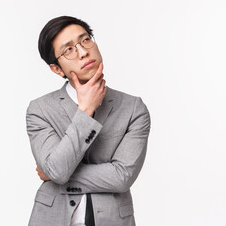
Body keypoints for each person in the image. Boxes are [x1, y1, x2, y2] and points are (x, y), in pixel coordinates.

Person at [26, 16, 151, 226]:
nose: (83, 52)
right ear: (57, 69)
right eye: (69, 50)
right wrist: (85, 110)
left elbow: (122, 177)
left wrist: (55, 174)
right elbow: (57, 170)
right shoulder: (40, 110)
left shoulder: (133, 108)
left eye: (85, 40)